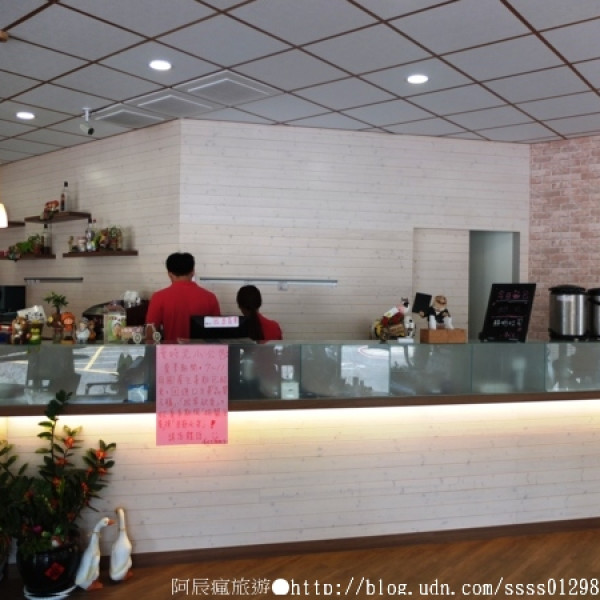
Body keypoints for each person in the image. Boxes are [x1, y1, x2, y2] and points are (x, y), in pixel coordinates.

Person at [145, 252, 221, 341]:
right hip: (201, 349)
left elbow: (151, 334)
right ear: (193, 272)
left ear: (169, 274)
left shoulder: (158, 297)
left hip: (171, 349)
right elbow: (218, 333)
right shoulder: (210, 297)